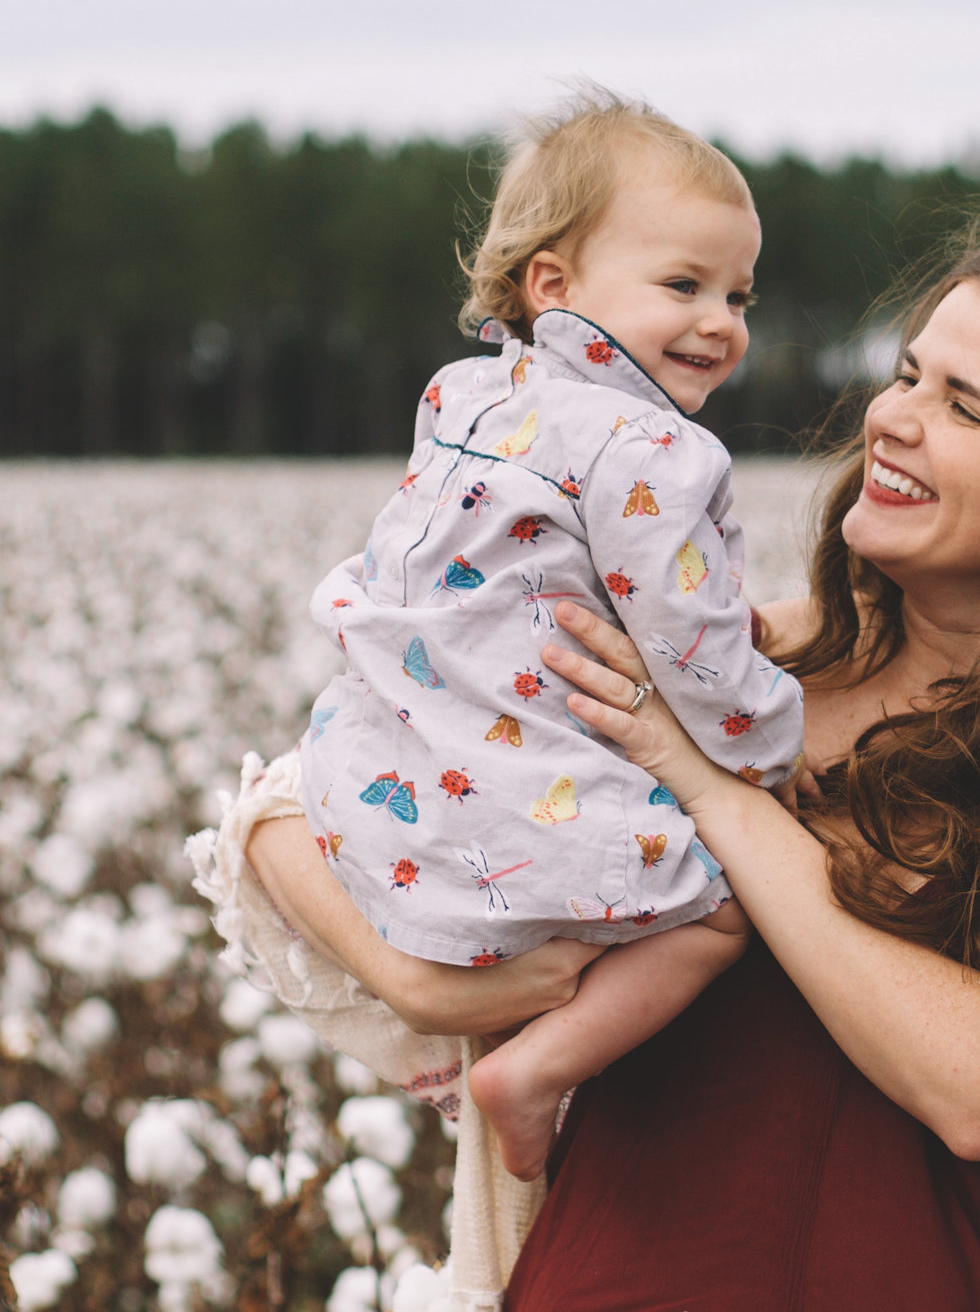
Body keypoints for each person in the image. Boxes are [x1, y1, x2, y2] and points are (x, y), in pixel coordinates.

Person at [505, 222, 980, 1311]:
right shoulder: (729, 663)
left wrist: (711, 786)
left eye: (963, 405)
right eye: (907, 372)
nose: (890, 417)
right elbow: (334, 807)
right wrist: (408, 973)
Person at [270, 87, 803, 1180]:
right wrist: (766, 736)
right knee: (721, 904)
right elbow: (689, 646)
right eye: (683, 285)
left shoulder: (465, 391)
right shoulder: (652, 447)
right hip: (530, 798)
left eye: (739, 294)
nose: (720, 321)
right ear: (553, 284)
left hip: (384, 766)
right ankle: (535, 1067)